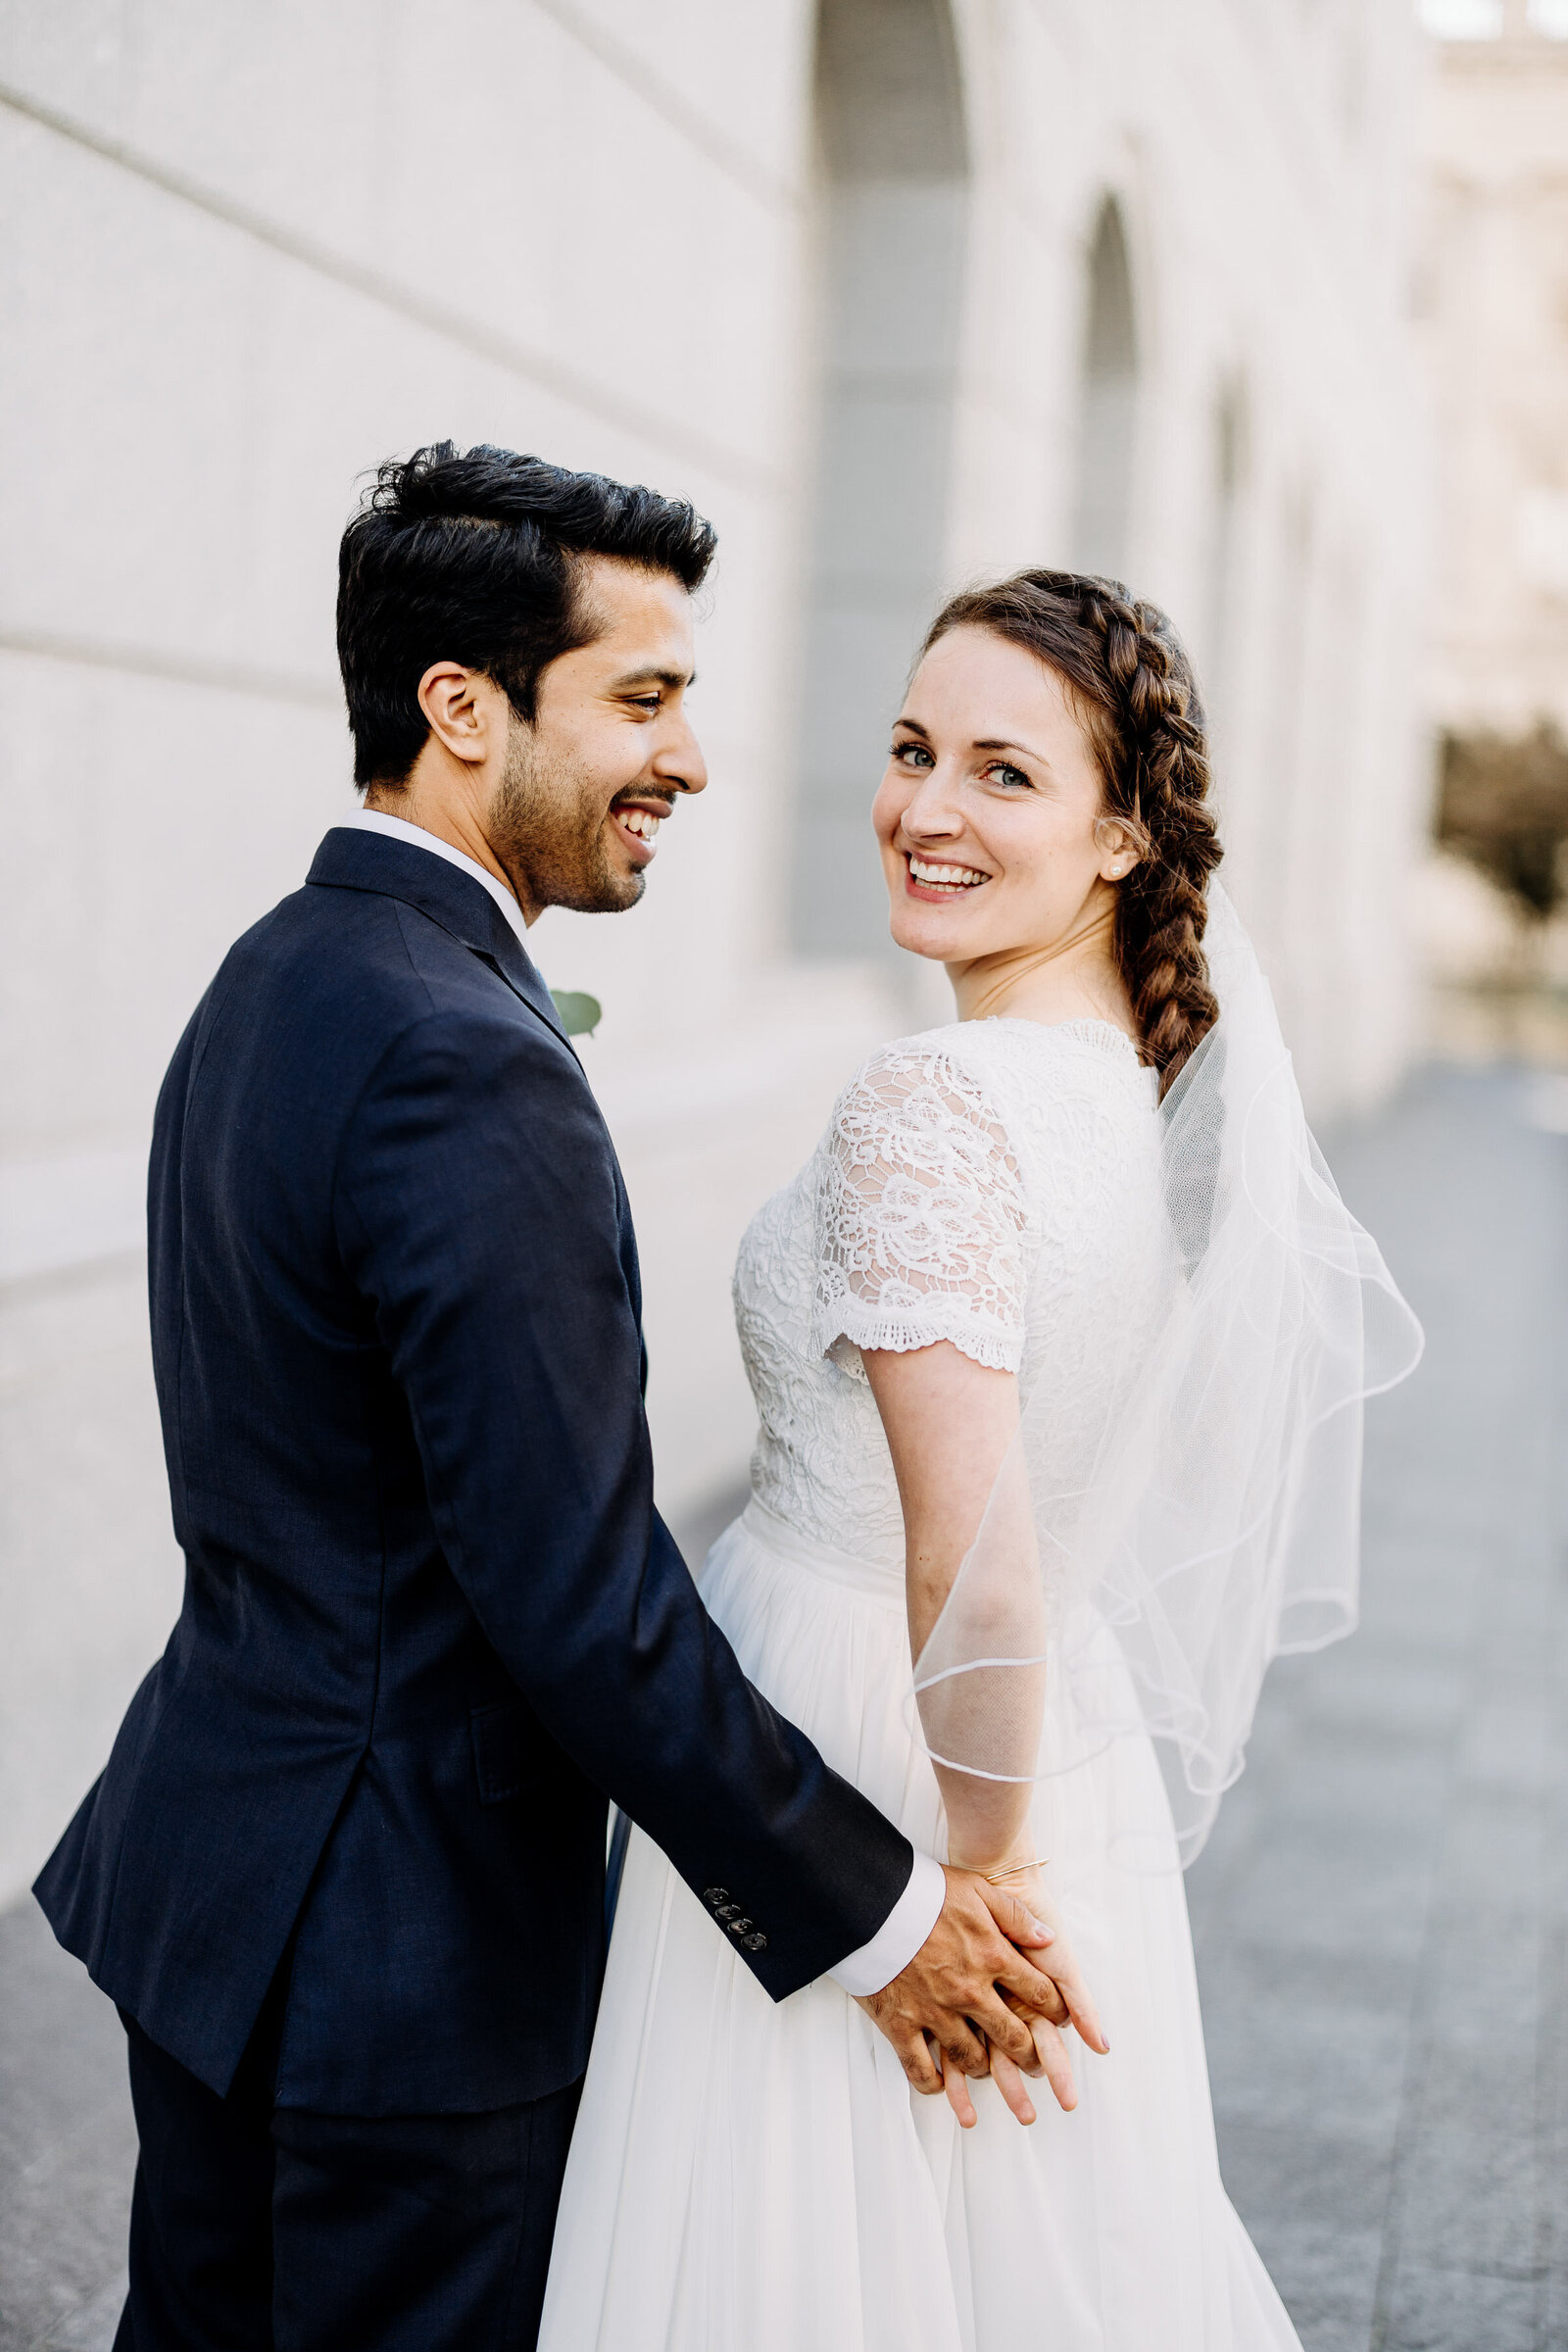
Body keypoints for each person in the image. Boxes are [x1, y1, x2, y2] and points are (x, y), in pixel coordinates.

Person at [32, 450, 1080, 2352]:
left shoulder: (280, 974)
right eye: (641, 699)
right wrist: (880, 1917)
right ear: (461, 709)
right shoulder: (460, 1059)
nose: (686, 755)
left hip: (222, 1878)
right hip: (395, 1964)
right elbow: (577, 1600)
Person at [538, 570, 1422, 2350]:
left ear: (1118, 836)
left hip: (894, 1754)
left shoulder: (935, 1105)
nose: (927, 810)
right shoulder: (1124, 1098)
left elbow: (979, 1549)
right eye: (909, 749)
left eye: (1003, 773)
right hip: (1024, 1735)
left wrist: (972, 1882)